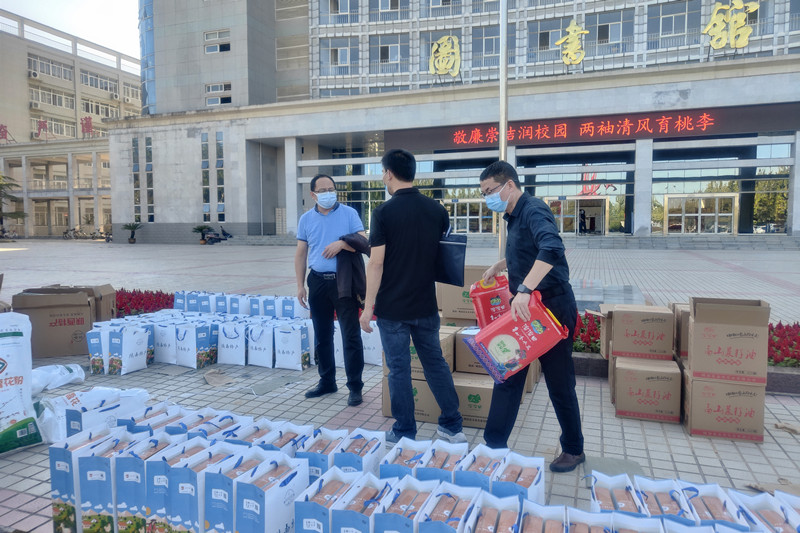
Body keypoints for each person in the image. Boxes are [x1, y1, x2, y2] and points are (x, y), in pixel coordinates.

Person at [478, 160, 585, 473]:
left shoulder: (533, 208)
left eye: (490, 191)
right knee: (507, 374)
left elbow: (551, 248)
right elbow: (529, 250)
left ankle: (574, 449)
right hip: (526, 309)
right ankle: (493, 447)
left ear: (509, 185)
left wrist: (525, 288)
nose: (487, 198)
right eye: (484, 194)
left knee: (559, 382)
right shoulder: (514, 216)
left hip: (551, 308)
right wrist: (501, 265)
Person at [359, 149, 466, 444]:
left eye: (383, 172)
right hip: (426, 305)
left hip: (393, 308)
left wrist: (368, 307)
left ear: (388, 173)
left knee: (399, 369)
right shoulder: (437, 210)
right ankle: (453, 426)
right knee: (435, 363)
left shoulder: (383, 212)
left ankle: (405, 431)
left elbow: (376, 263)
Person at [295, 174, 366, 406]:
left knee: (350, 335)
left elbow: (363, 241)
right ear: (313, 194)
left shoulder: (349, 214)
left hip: (343, 282)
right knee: (322, 334)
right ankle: (327, 381)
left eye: (331, 189)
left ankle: (355, 386)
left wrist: (342, 244)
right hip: (317, 282)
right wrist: (300, 285)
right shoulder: (306, 219)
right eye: (323, 190)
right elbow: (301, 253)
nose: (328, 194)